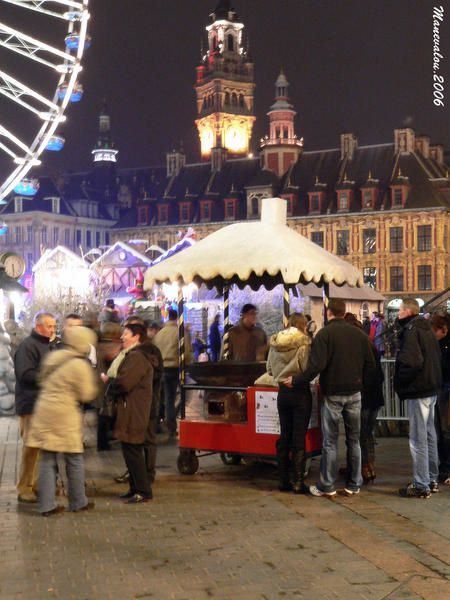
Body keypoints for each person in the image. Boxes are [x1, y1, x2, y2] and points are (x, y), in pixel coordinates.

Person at [285, 298, 375, 497]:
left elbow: (316, 366)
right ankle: (354, 483)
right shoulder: (359, 335)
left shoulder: (324, 334)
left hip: (333, 393)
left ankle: (327, 485)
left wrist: (297, 380)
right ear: (343, 312)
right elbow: (371, 364)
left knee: (330, 441)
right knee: (354, 440)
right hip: (354, 393)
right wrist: (361, 384)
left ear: (328, 312)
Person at [27, 326, 98, 516]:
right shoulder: (79, 365)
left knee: (47, 459)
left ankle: (46, 505)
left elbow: (41, 380)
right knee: (74, 458)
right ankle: (78, 501)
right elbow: (87, 393)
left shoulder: (54, 357)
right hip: (64, 414)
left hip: (44, 411)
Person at [394, 298, 442, 498]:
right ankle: (431, 478)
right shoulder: (427, 329)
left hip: (419, 389)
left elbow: (411, 363)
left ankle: (421, 483)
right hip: (431, 388)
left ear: (406, 311)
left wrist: (400, 381)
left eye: (399, 310)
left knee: (418, 438)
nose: (397, 314)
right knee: (429, 434)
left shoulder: (412, 331)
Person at [103, 323, 156, 503]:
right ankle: (135, 488)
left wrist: (110, 383)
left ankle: (143, 490)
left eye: (126, 334)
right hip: (130, 408)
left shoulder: (137, 358)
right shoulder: (131, 355)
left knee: (133, 450)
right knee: (129, 449)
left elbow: (125, 382)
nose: (123, 337)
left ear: (136, 337)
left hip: (134, 409)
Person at [267, 313, 312, 493]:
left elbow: (269, 370)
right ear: (303, 325)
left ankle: (283, 481)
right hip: (300, 392)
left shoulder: (275, 342)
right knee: (298, 437)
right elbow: (307, 368)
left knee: (284, 435)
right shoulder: (304, 343)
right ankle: (298, 482)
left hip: (282, 393)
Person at [14, 311, 56, 503]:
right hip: (31, 404)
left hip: (44, 404)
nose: (53, 329)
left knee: (41, 447)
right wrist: (51, 377)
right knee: (31, 448)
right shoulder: (28, 346)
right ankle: (24, 487)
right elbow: (25, 374)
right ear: (38, 326)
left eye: (54, 326)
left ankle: (38, 484)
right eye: (50, 326)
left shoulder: (47, 345)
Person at [344, 313, 384, 483]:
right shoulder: (371, 346)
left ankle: (361, 467)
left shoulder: (355, 348)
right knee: (368, 433)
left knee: (358, 435)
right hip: (375, 397)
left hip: (363, 397)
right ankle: (369, 466)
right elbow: (379, 374)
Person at [154, 309, 191, 437]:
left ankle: (164, 423)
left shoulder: (160, 333)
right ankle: (170, 423)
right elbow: (186, 352)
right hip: (176, 369)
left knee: (166, 397)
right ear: (176, 318)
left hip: (162, 368)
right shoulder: (180, 332)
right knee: (183, 396)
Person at [430, 313, 450, 486]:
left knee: (444, 430)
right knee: (441, 430)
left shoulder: (443, 345)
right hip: (440, 387)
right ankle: (444, 467)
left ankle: (446, 467)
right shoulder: (438, 343)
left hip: (444, 387)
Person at [96, 322, 123, 451]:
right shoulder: (116, 347)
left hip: (99, 383)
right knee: (107, 413)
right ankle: (105, 440)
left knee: (102, 414)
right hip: (109, 383)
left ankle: (102, 442)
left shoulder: (97, 346)